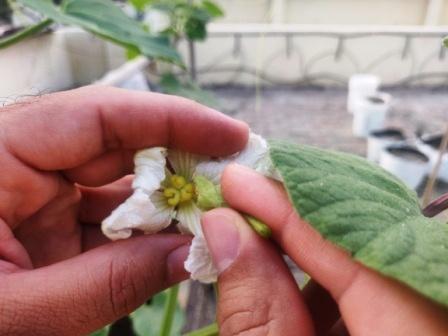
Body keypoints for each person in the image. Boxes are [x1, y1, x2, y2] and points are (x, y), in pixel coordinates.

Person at [0, 86, 445, 336]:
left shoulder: (182, 184)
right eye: (173, 189)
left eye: (175, 188)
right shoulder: (164, 174)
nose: (175, 190)